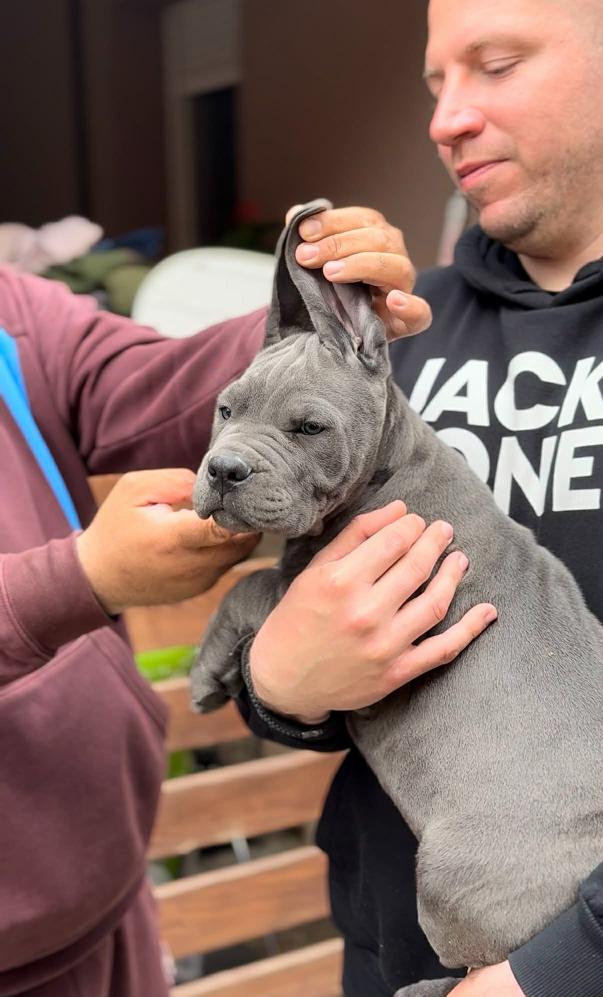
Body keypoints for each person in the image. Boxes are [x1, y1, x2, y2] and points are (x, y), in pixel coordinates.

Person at [0, 202, 480, 993]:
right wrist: (78, 580)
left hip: (103, 903)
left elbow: (157, 385)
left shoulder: (18, 314)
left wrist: (324, 327)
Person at [240, 1, 603, 995]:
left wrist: (559, 968)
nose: (447, 118)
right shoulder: (401, 342)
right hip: (404, 954)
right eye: (437, 82)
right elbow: (311, 636)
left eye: (495, 64)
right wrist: (283, 683)